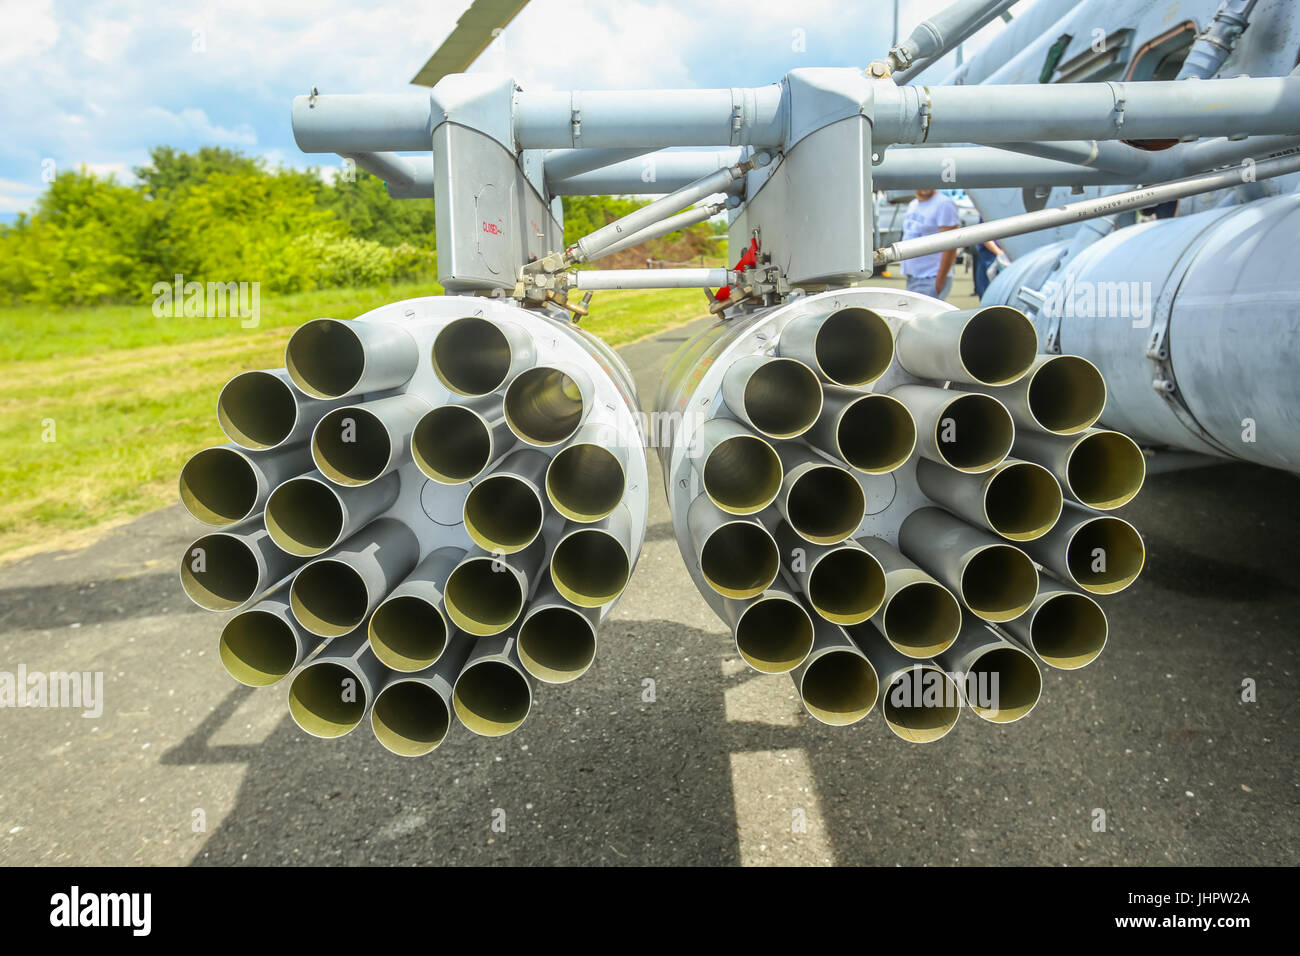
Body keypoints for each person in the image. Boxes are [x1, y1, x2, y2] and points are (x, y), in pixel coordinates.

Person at [901, 189, 960, 299]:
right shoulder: (913, 204)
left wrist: (940, 279)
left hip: (931, 276)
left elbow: (952, 243)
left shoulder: (944, 204)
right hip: (914, 275)